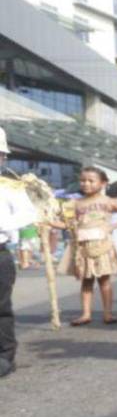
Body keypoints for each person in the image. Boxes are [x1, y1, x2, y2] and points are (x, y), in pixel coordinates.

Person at [54, 166, 117, 325]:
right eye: (83, 180)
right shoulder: (75, 203)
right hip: (83, 247)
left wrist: (112, 227)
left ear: (103, 183)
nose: (86, 184)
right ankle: (85, 314)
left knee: (104, 280)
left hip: (102, 245)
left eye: (91, 181)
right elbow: (67, 224)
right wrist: (49, 223)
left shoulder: (108, 201)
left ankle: (108, 314)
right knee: (86, 281)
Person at [0, 126, 39, 379]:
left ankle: (4, 356)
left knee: (0, 308)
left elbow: (29, 214)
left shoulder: (10, 186)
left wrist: (3, 224)